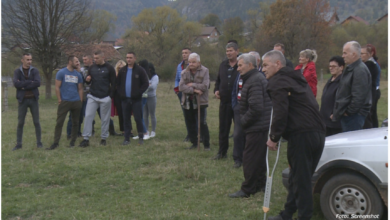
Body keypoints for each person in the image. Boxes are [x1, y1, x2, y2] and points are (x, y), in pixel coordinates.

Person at [262, 50, 325, 220]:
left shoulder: (277, 81)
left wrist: (273, 137)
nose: (263, 69)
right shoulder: (297, 78)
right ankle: (288, 213)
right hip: (318, 133)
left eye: (266, 65)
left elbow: (280, 112)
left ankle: (303, 216)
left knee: (301, 181)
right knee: (298, 177)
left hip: (302, 134)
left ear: (278, 64)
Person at [228, 53, 272, 198]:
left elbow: (256, 108)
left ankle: (247, 189)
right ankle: (260, 184)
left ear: (250, 65)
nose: (238, 68)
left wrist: (243, 121)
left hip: (257, 127)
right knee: (258, 157)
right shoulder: (253, 79)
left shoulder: (254, 80)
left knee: (250, 158)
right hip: (258, 126)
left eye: (240, 65)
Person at [331, 41, 371, 132]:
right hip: (350, 116)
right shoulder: (350, 69)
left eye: (345, 53)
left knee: (352, 144)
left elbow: (358, 96)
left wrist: (348, 112)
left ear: (354, 54)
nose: (343, 56)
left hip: (355, 117)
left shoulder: (360, 70)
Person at [79, 50, 116, 147]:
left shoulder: (110, 68)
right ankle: (86, 139)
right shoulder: (92, 68)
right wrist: (87, 80)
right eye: (94, 58)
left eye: (97, 58)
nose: (95, 60)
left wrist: (110, 97)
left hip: (105, 97)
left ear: (103, 57)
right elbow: (88, 81)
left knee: (105, 119)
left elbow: (114, 84)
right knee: (88, 116)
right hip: (93, 96)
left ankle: (103, 138)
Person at [47, 56, 83, 150]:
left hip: (76, 101)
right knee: (59, 122)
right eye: (76, 61)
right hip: (65, 101)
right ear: (70, 62)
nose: (77, 63)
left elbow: (80, 88)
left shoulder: (78, 74)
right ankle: (55, 143)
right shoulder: (61, 73)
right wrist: (59, 99)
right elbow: (57, 87)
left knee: (76, 122)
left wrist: (80, 100)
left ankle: (72, 141)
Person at [212, 42, 239, 164]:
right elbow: (218, 80)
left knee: (238, 130)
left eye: (231, 51)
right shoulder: (223, 65)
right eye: (227, 51)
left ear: (237, 51)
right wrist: (216, 90)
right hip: (224, 102)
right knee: (223, 128)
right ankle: (222, 152)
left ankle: (238, 155)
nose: (228, 53)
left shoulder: (241, 64)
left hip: (238, 103)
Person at [116, 52, 149, 145]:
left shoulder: (140, 70)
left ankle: (141, 137)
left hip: (136, 100)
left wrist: (138, 93)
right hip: (125, 99)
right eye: (127, 57)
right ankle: (126, 138)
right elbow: (117, 84)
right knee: (126, 119)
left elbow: (145, 83)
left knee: (138, 118)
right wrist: (121, 93)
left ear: (135, 58)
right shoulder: (122, 71)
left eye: (130, 57)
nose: (128, 59)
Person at [179, 53, 210, 150]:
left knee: (202, 123)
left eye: (193, 62)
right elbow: (181, 87)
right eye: (189, 62)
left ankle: (206, 144)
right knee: (190, 123)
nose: (191, 64)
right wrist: (194, 90)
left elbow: (205, 86)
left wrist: (192, 84)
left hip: (201, 102)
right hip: (188, 102)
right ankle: (194, 143)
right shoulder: (184, 72)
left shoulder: (205, 71)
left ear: (199, 63)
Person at [12, 53, 43, 150]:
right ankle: (19, 144)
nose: (29, 61)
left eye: (30, 59)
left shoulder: (35, 71)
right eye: (27, 60)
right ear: (22, 60)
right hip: (23, 100)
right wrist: (30, 82)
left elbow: (38, 83)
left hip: (33, 99)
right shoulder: (17, 71)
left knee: (36, 122)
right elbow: (16, 83)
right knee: (20, 122)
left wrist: (23, 85)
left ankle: (39, 143)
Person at [66, 54, 93, 139]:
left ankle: (77, 132)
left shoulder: (81, 72)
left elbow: (84, 84)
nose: (78, 63)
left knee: (80, 116)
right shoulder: (72, 73)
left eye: (78, 62)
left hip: (83, 97)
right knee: (73, 116)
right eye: (76, 61)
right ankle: (70, 133)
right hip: (74, 97)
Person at [320, 56, 344, 136]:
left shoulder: (343, 82)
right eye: (330, 66)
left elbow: (342, 99)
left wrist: (334, 113)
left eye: (334, 66)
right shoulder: (331, 79)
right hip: (325, 120)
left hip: (334, 122)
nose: (331, 68)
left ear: (341, 67)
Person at [175, 48, 192, 142]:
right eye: (183, 53)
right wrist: (177, 90)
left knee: (194, 114)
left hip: (191, 92)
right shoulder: (179, 66)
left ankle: (198, 133)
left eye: (186, 53)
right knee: (186, 114)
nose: (184, 55)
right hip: (182, 93)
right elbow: (177, 79)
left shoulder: (194, 65)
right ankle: (189, 134)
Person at [361, 45, 379, 129]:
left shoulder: (370, 65)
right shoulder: (367, 64)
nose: (360, 55)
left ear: (369, 54)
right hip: (371, 93)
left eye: (362, 53)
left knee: (369, 117)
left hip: (370, 94)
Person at [134, 59, 151, 140]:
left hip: (142, 97)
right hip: (138, 96)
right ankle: (140, 132)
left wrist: (139, 92)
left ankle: (145, 132)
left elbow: (146, 85)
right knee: (137, 115)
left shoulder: (143, 73)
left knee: (139, 116)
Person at [367, 44, 381, 128]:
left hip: (375, 90)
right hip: (375, 90)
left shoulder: (373, 64)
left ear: (371, 53)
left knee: (372, 114)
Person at [144, 62, 159, 138]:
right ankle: (146, 130)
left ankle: (153, 131)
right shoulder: (145, 76)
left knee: (152, 114)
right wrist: (147, 85)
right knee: (145, 115)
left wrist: (144, 86)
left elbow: (152, 87)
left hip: (151, 97)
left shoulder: (155, 77)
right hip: (144, 97)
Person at [113, 60, 127, 136]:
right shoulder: (115, 76)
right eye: (119, 68)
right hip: (117, 96)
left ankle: (128, 129)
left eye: (122, 68)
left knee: (126, 112)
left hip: (126, 95)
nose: (120, 69)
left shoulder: (127, 75)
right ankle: (123, 130)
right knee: (120, 113)